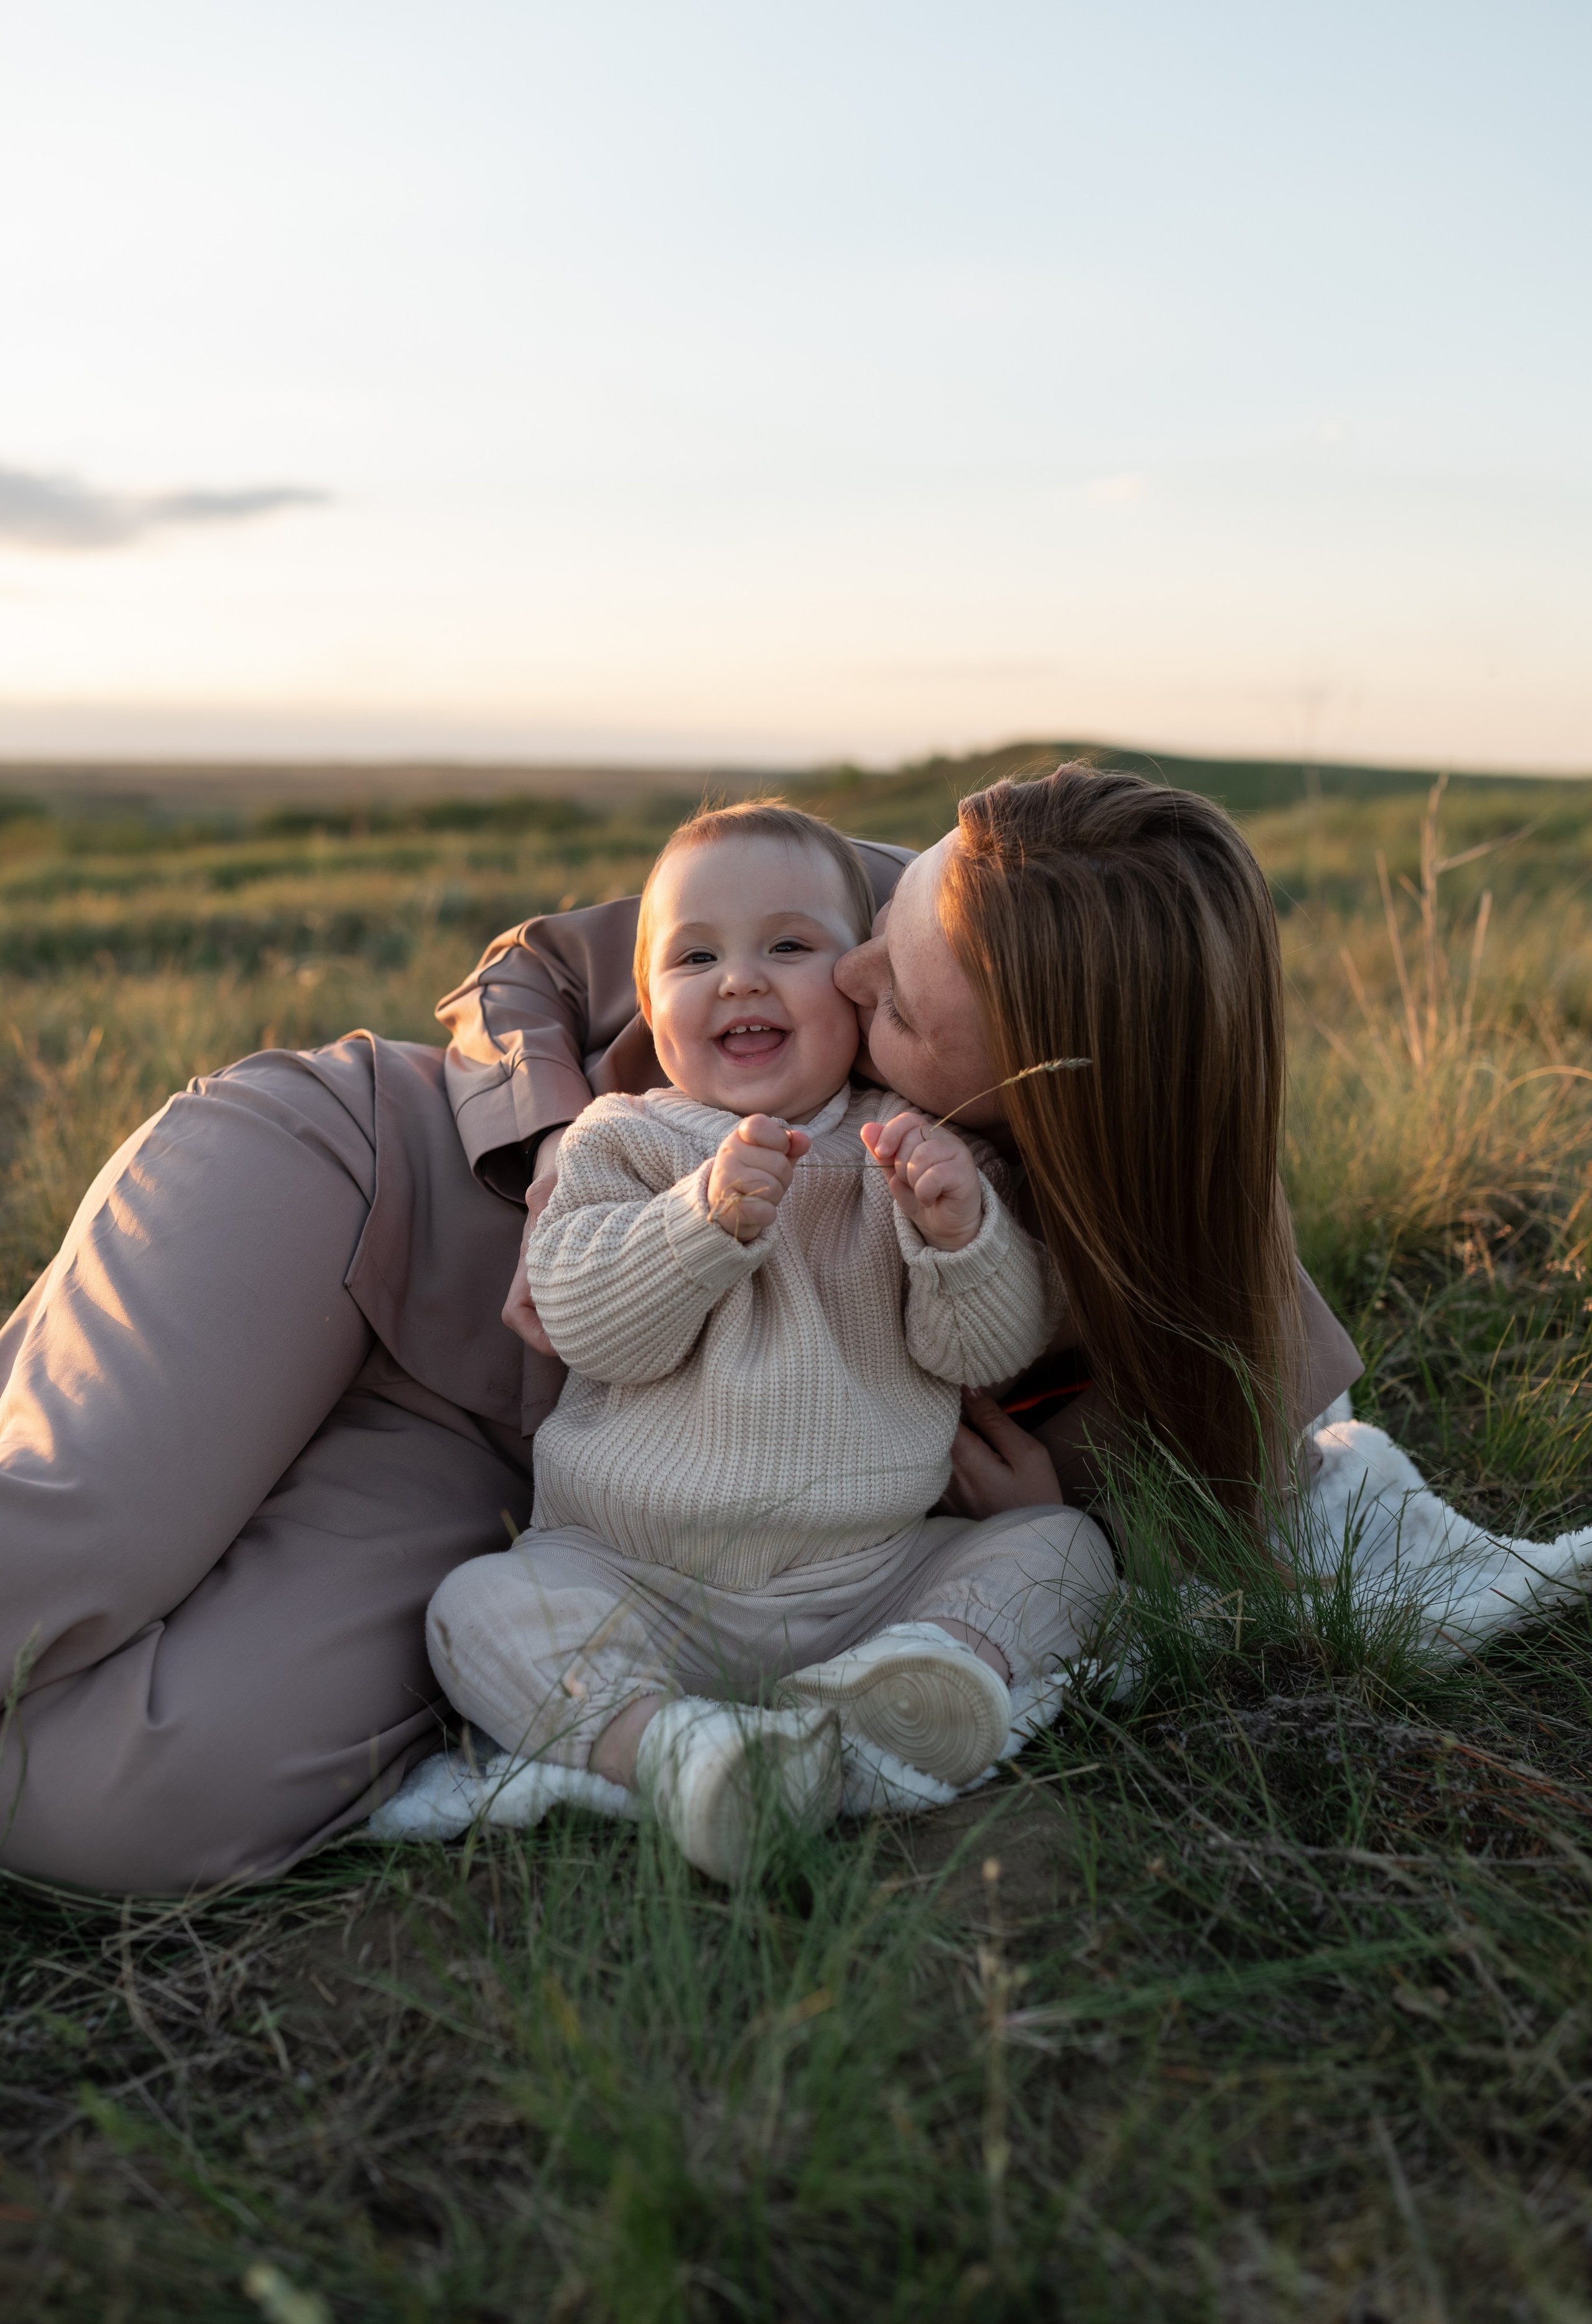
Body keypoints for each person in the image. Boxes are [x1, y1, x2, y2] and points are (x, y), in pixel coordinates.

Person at [0, 761, 1359, 1895]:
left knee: (134, 1802)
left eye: (886, 998)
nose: (854, 962)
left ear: (1018, 1095)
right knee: (74, 1542)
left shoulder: (1109, 1208)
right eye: (879, 921)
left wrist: (1065, 1487)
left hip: (509, 1457)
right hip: (363, 1199)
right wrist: (542, 1148)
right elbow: (532, 964)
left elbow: (1225, 1478)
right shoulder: (945, 881)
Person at [425, 802, 1108, 1882]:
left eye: (788, 946)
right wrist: (701, 1226)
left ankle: (917, 1679)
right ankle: (677, 1749)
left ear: (860, 981)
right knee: (479, 1609)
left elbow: (983, 1351)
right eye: (697, 957)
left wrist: (961, 1235)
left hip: (870, 1571)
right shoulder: (625, 1142)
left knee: (1062, 1549)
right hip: (635, 1574)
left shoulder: (915, 1146)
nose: (740, 979)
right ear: (651, 1009)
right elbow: (588, 1326)